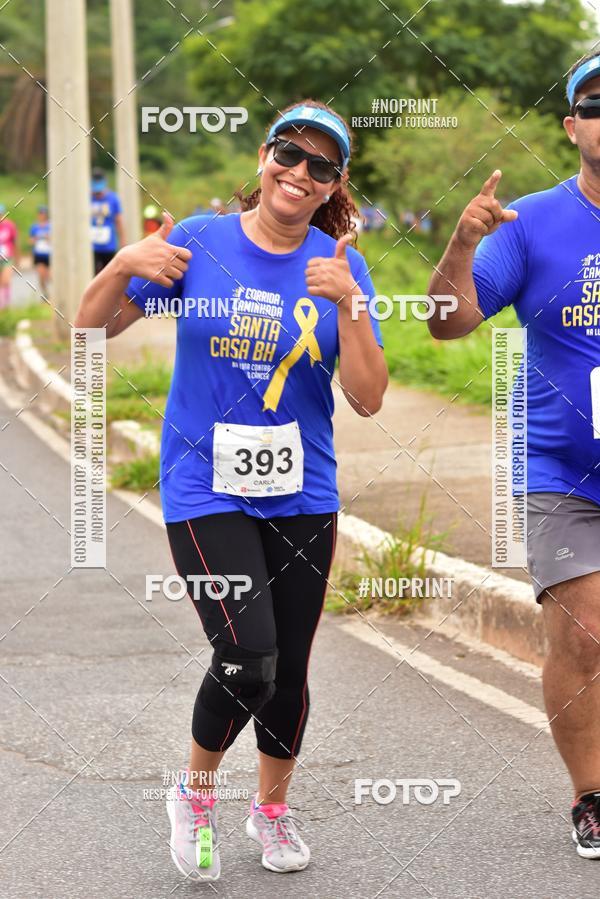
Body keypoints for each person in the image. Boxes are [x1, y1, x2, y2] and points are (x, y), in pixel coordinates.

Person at [75, 99, 388, 882]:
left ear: (333, 184)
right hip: (202, 487)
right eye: (290, 153)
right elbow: (86, 330)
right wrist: (119, 265)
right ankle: (196, 793)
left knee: (289, 671)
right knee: (248, 656)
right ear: (264, 156)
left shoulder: (338, 267)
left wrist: (349, 304)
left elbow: (370, 396)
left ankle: (272, 811)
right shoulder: (198, 243)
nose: (299, 172)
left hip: (305, 492)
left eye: (321, 166)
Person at [428, 52, 600, 859]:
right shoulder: (530, 221)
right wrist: (461, 245)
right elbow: (447, 323)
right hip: (564, 470)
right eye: (595, 103)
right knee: (583, 631)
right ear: (572, 127)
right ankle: (590, 795)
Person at [90, 167, 125, 274]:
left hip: (108, 245)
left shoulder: (113, 198)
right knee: (93, 274)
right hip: (92, 245)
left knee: (108, 274)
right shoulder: (87, 198)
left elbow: (118, 220)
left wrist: (122, 241)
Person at [29, 205, 51, 295]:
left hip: (49, 254)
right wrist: (35, 239)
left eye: (44, 214)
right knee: (41, 276)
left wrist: (48, 238)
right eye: (40, 213)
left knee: (50, 276)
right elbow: (30, 241)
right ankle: (46, 294)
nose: (42, 215)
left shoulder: (51, 226)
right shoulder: (34, 227)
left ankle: (55, 293)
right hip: (39, 254)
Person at [0, 204, 19, 309]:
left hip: (7, 258)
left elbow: (15, 242)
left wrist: (18, 258)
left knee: (6, 281)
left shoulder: (10, 226)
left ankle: (5, 306)